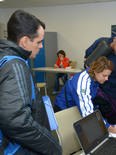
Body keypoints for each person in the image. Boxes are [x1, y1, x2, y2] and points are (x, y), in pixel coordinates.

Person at [0, 10, 62, 154]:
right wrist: (53, 147)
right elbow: (16, 121)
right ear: (25, 41)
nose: (41, 46)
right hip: (18, 147)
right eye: (39, 41)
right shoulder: (16, 66)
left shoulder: (5, 56)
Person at [54, 56, 116, 133]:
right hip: (64, 111)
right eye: (104, 75)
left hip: (76, 108)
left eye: (108, 76)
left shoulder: (94, 78)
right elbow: (88, 112)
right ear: (96, 71)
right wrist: (108, 126)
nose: (107, 79)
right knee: (72, 138)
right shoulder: (83, 83)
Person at [84, 30, 116, 128]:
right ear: (115, 39)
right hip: (95, 94)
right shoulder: (101, 43)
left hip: (113, 97)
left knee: (114, 128)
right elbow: (87, 58)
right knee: (96, 127)